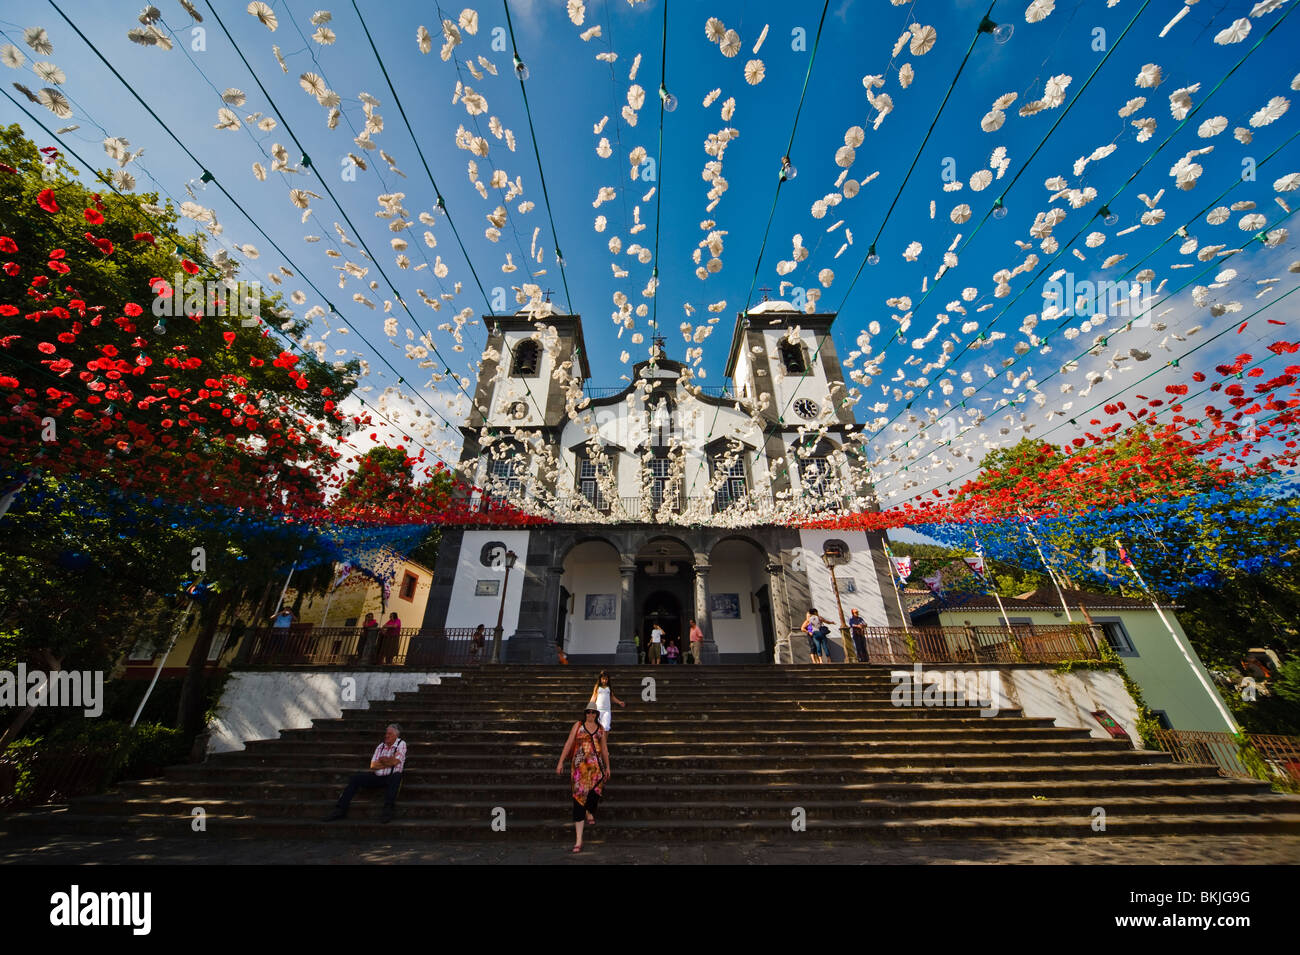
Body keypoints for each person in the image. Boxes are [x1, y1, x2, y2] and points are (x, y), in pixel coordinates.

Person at [324, 723, 406, 823]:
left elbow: (396, 762)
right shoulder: (381, 746)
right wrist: (389, 760)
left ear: (396, 735)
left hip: (391, 777)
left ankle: (387, 811)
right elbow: (373, 765)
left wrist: (384, 761)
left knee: (397, 777)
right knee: (355, 778)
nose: (386, 735)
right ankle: (340, 809)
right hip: (377, 776)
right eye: (386, 733)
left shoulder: (401, 744)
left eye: (390, 734)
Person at [556, 703, 610, 853]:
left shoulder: (601, 729)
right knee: (578, 801)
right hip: (579, 769)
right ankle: (579, 840)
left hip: (596, 769)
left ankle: (589, 811)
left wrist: (608, 766)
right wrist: (560, 762)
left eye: (593, 712)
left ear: (597, 714)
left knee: (596, 792)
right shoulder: (578, 725)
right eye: (588, 712)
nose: (591, 715)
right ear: (585, 713)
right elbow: (568, 743)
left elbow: (604, 749)